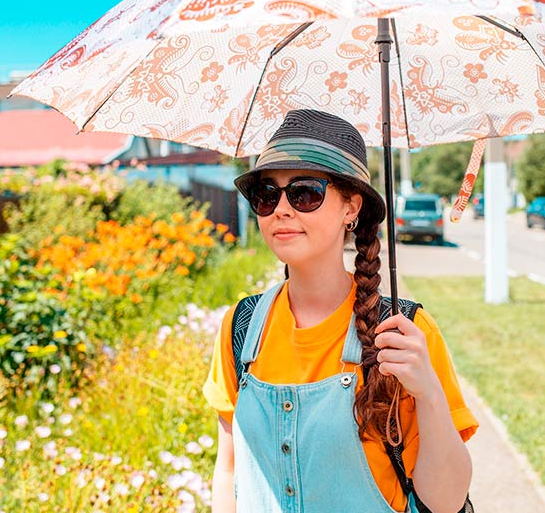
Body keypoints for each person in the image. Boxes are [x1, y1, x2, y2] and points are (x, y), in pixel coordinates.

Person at [203, 109, 477, 513]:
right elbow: (229, 473)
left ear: (351, 207)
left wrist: (429, 393)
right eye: (267, 194)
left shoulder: (404, 334)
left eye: (305, 192)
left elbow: (447, 502)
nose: (281, 209)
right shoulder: (240, 330)